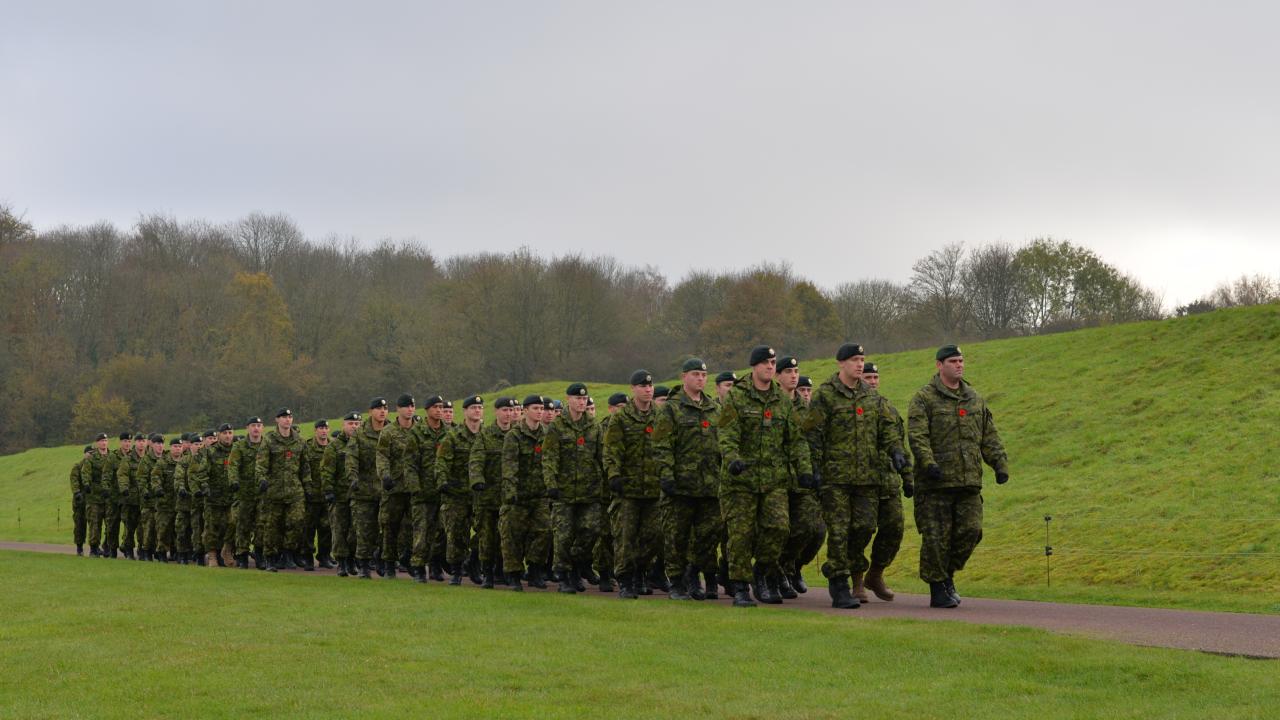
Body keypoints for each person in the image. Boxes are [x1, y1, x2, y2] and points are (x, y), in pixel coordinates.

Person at [803, 343, 905, 609]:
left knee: (864, 528)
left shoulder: (871, 397)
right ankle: (839, 584)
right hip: (835, 478)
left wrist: (896, 451)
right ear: (840, 364)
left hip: (866, 478)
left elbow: (886, 429)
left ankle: (842, 568)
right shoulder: (825, 395)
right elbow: (812, 435)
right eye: (854, 360)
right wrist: (812, 469)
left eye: (862, 359)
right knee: (839, 530)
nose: (860, 364)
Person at [908, 345, 1010, 608]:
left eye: (961, 360)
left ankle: (946, 575)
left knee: (971, 531)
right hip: (935, 485)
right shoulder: (924, 399)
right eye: (953, 361)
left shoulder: (974, 398)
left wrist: (999, 464)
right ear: (939, 365)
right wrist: (928, 463)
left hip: (968, 482)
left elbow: (989, 435)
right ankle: (937, 587)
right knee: (936, 538)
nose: (959, 365)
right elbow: (918, 437)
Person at [717, 346, 813, 607]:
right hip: (741, 482)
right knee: (741, 534)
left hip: (774, 480)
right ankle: (739, 586)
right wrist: (733, 459)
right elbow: (726, 434)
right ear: (754, 367)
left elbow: (796, 440)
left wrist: (804, 469)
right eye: (765, 363)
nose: (770, 367)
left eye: (772, 362)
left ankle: (762, 571)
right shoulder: (737, 397)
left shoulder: (781, 401)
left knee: (779, 528)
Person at [653, 358, 722, 601]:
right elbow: (661, 445)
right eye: (695, 374)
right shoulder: (671, 409)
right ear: (684, 377)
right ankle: (677, 581)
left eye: (703, 375)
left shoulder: (714, 408)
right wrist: (667, 475)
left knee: (709, 533)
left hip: (709, 486)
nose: (700, 379)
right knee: (676, 537)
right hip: (680, 486)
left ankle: (693, 570)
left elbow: (723, 443)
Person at [603, 371, 663, 599]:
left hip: (653, 488)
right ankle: (626, 579)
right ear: (633, 389)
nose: (648, 389)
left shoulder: (661, 416)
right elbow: (612, 450)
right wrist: (614, 475)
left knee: (655, 536)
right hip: (628, 488)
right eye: (642, 386)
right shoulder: (621, 418)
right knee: (625, 537)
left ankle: (640, 570)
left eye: (650, 386)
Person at [542, 383, 604, 594]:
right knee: (563, 535)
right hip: (564, 492)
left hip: (589, 491)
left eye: (584, 399)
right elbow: (549, 457)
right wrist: (551, 485)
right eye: (577, 398)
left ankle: (577, 564)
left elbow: (602, 457)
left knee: (592, 530)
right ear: (568, 399)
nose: (582, 402)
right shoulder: (557, 426)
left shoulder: (594, 426)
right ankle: (564, 576)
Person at [859, 362, 912, 601]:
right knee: (860, 530)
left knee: (894, 528)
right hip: (862, 481)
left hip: (888, 481)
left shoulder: (887, 408)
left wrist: (908, 476)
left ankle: (876, 573)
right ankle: (856, 580)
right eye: (867, 376)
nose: (872, 381)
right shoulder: (853, 408)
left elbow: (900, 444)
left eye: (875, 377)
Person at [775, 356, 825, 599]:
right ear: (777, 376)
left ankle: (790, 566)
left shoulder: (808, 409)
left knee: (812, 529)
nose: (794, 375)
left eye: (796, 371)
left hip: (803, 478)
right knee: (778, 529)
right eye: (788, 371)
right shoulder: (771, 403)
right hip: (775, 478)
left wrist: (816, 470)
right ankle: (775, 572)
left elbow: (815, 441)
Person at [500, 395, 551, 590]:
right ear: (526, 410)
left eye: (542, 408)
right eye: (536, 408)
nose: (540, 411)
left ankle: (535, 570)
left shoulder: (547, 434)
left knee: (544, 532)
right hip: (518, 496)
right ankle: (513, 574)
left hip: (540, 494)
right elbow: (509, 465)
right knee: (513, 535)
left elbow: (551, 462)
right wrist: (511, 492)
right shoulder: (514, 436)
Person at [469, 396, 517, 588]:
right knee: (487, 537)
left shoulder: (516, 435)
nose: (508, 414)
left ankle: (503, 571)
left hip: (509, 497)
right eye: (504, 410)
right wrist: (477, 481)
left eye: (510, 410)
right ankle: (487, 572)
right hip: (488, 496)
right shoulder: (485, 435)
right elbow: (476, 461)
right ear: (496, 411)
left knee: (508, 536)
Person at [437, 395, 485, 585]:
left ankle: (474, 560)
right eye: (473, 407)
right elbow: (441, 462)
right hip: (456, 494)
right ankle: (457, 570)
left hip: (480, 494)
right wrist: (443, 483)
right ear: (465, 411)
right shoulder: (452, 437)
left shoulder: (486, 435)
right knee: (456, 534)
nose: (477, 411)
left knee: (485, 531)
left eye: (480, 407)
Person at [256, 408, 310, 572]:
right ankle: (271, 558)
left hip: (294, 491)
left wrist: (308, 486)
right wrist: (262, 479)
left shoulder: (299, 441)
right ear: (277, 420)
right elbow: (261, 464)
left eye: (290, 417)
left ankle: (288, 554)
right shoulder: (269, 440)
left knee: (296, 521)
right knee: (272, 526)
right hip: (274, 491)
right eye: (284, 417)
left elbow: (305, 467)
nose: (287, 420)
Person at [346, 398, 390, 579]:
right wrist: (352, 478)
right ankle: (364, 565)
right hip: (363, 491)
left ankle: (382, 559)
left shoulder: (391, 432)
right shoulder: (360, 433)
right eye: (379, 408)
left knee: (388, 529)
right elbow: (351, 458)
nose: (382, 411)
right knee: (364, 531)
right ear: (371, 411)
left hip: (387, 490)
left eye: (385, 408)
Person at [376, 394, 419, 580]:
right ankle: (388, 563)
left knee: (412, 527)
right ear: (398, 409)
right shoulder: (389, 432)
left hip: (413, 488)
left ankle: (408, 559)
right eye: (406, 406)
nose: (410, 409)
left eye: (412, 406)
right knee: (390, 527)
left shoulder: (419, 431)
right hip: (393, 488)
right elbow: (382, 456)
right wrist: (385, 476)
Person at [322, 412, 361, 577]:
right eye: (351, 423)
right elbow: (327, 470)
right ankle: (342, 562)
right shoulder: (334, 447)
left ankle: (352, 559)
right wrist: (328, 491)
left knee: (355, 531)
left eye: (357, 423)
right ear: (343, 425)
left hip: (358, 495)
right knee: (339, 530)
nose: (354, 426)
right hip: (339, 495)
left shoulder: (362, 445)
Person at [196, 424, 236, 567]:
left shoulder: (237, 450)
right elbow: (201, 472)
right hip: (213, 497)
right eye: (225, 433)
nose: (227, 435)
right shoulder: (211, 451)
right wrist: (205, 487)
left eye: (230, 432)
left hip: (232, 497)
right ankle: (212, 555)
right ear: (219, 435)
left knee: (233, 523)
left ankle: (227, 549)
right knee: (211, 528)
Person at [228, 417, 265, 569]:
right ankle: (242, 554)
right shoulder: (240, 446)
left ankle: (259, 554)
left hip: (262, 492)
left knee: (261, 525)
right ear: (247, 428)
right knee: (243, 525)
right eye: (253, 425)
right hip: (244, 492)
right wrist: (234, 481)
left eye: (259, 425)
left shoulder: (267, 444)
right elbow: (233, 465)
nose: (256, 428)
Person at [300, 420, 334, 570]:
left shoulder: (332, 446)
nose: (324, 431)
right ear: (315, 430)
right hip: (312, 495)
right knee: (309, 528)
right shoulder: (308, 447)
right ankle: (307, 557)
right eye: (321, 428)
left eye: (326, 428)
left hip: (328, 495)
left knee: (326, 528)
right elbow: (304, 469)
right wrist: (307, 489)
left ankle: (324, 556)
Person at [81, 433, 111, 556]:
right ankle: (94, 548)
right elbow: (86, 472)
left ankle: (107, 546)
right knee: (95, 523)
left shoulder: (112, 456)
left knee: (110, 523)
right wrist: (86, 484)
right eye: (102, 441)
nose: (104, 443)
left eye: (106, 440)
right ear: (97, 443)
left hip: (108, 495)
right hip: (94, 495)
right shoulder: (92, 458)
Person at [70, 446, 92, 555]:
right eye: (89, 453)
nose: (91, 455)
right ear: (85, 454)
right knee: (80, 524)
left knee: (94, 524)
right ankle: (79, 547)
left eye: (93, 453)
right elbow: (74, 480)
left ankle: (94, 546)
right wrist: (77, 492)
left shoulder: (94, 466)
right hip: (80, 500)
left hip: (92, 499)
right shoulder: (78, 467)